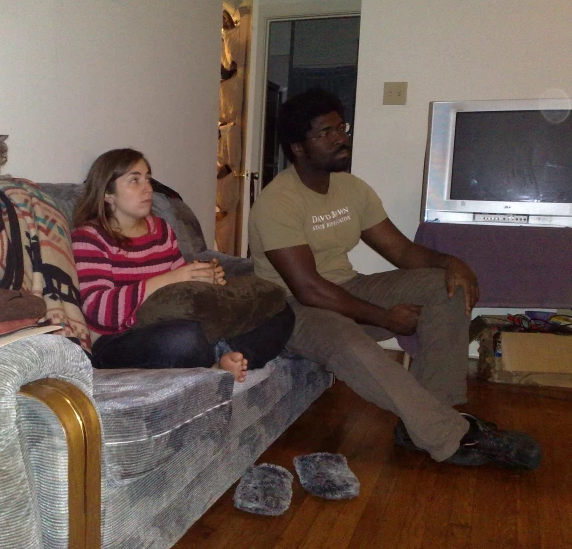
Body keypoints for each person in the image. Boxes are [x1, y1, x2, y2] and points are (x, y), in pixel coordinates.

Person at [248, 88, 541, 469]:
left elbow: (402, 252)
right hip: (292, 310)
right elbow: (308, 288)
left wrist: (451, 261)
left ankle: (429, 423)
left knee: (445, 285)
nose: (341, 138)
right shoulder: (277, 202)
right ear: (298, 148)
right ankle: (453, 437)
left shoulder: (352, 189)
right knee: (349, 342)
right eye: (326, 133)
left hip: (345, 289)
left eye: (341, 127)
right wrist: (383, 318)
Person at [72, 148, 294, 382]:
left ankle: (230, 357)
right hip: (118, 340)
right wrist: (174, 277)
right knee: (185, 338)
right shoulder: (90, 237)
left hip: (173, 321)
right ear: (108, 193)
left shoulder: (160, 229)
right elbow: (99, 310)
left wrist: (207, 280)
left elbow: (182, 291)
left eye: (147, 178)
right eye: (134, 180)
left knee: (280, 309)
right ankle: (214, 359)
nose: (148, 187)